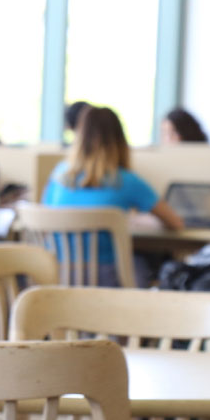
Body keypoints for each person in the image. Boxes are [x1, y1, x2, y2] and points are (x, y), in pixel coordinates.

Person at [43, 106, 183, 286]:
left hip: (57, 276)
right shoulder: (126, 181)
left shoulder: (59, 175)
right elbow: (176, 223)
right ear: (119, 140)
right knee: (148, 265)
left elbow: (45, 214)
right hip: (107, 281)